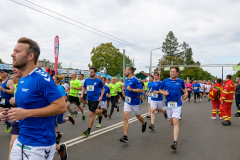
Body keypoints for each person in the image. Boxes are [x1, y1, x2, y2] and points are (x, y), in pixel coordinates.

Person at [6, 37, 66, 159]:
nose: (13, 54)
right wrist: (10, 113)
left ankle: (61, 148)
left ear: (30, 56)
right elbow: (25, 107)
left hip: (39, 144)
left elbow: (61, 107)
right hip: (21, 138)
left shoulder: (42, 79)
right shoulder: (22, 79)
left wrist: (27, 113)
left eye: (17, 51)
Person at [159, 66, 188, 151]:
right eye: (171, 71)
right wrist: (163, 92)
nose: (172, 73)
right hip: (168, 104)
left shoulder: (180, 81)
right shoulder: (165, 81)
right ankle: (175, 122)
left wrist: (186, 94)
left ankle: (175, 142)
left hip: (177, 103)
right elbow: (160, 89)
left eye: (174, 72)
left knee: (175, 122)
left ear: (177, 73)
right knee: (171, 122)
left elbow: (185, 89)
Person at [120, 66, 147, 143]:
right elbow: (126, 89)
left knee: (138, 116)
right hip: (127, 101)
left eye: (126, 71)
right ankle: (125, 137)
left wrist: (131, 89)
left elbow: (141, 90)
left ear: (130, 72)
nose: (125, 72)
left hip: (135, 101)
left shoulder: (136, 80)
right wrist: (124, 92)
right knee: (125, 117)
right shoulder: (126, 80)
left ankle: (144, 123)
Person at [80, 67, 106, 137]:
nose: (91, 73)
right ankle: (103, 111)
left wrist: (101, 96)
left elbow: (102, 89)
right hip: (89, 99)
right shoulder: (87, 80)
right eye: (90, 72)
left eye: (92, 72)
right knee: (93, 112)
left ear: (95, 73)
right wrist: (82, 94)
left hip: (96, 99)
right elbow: (84, 87)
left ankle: (88, 131)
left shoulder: (99, 81)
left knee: (91, 114)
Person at [52, 75, 72, 159]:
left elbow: (65, 97)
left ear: (57, 80)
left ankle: (69, 118)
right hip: (53, 107)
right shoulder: (53, 87)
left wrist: (58, 101)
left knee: (59, 121)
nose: (52, 80)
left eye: (53, 79)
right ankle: (58, 134)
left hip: (59, 107)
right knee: (53, 121)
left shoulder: (60, 87)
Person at [7, 67, 22, 160]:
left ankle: (58, 147)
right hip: (18, 116)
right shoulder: (18, 84)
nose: (12, 75)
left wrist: (16, 101)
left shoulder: (34, 82)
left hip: (31, 118)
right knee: (12, 144)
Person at [0, 69, 14, 133]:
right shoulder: (2, 81)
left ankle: (18, 128)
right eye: (0, 72)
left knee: (13, 117)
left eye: (2, 72)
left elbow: (12, 91)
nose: (0, 73)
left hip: (9, 101)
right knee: (1, 114)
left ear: (6, 73)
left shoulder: (9, 81)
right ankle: (8, 124)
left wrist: (3, 89)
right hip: (3, 101)